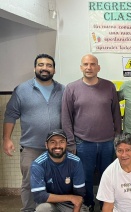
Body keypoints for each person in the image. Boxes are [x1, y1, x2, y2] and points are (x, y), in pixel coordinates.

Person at [2, 53, 64, 212]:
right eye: (41, 65)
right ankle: (29, 210)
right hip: (31, 147)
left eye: (49, 65)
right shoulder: (22, 90)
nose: (45, 68)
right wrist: (7, 139)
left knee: (55, 182)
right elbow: (10, 114)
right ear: (35, 68)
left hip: (56, 148)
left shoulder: (62, 90)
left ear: (54, 70)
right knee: (30, 182)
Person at [61, 54, 122, 211]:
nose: (89, 67)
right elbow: (66, 117)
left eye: (92, 64)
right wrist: (71, 142)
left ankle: (105, 206)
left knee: (107, 177)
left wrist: (117, 138)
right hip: (82, 143)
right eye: (86, 64)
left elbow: (116, 114)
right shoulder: (71, 88)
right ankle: (88, 205)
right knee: (85, 178)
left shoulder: (109, 86)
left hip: (108, 142)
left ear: (98, 67)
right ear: (81, 67)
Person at [30, 129, 87, 212]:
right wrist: (70, 197)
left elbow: (79, 194)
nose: (57, 145)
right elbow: (39, 196)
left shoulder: (76, 162)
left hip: (69, 203)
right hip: (49, 202)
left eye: (61, 142)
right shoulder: (38, 164)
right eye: (53, 142)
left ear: (66, 144)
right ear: (46, 145)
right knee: (42, 209)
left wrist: (75, 205)